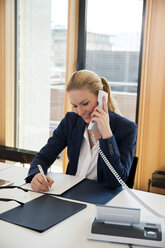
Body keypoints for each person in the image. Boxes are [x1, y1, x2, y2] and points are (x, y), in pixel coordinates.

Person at [25, 70, 137, 191]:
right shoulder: (70, 121)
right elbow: (43, 157)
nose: (80, 112)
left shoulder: (126, 129)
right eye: (75, 105)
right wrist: (36, 175)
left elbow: (116, 182)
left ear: (101, 97)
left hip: (102, 199)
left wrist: (107, 135)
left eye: (85, 103)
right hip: (71, 194)